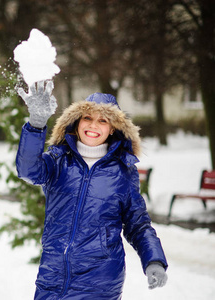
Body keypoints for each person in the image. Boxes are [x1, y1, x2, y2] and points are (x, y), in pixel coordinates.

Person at [16, 81, 168, 300]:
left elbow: (137, 224)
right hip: (53, 275)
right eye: (87, 118)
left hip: (100, 281)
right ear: (77, 122)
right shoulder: (58, 161)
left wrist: (154, 260)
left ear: (113, 128)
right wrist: (36, 124)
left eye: (103, 120)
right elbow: (28, 170)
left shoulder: (123, 172)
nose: (93, 125)